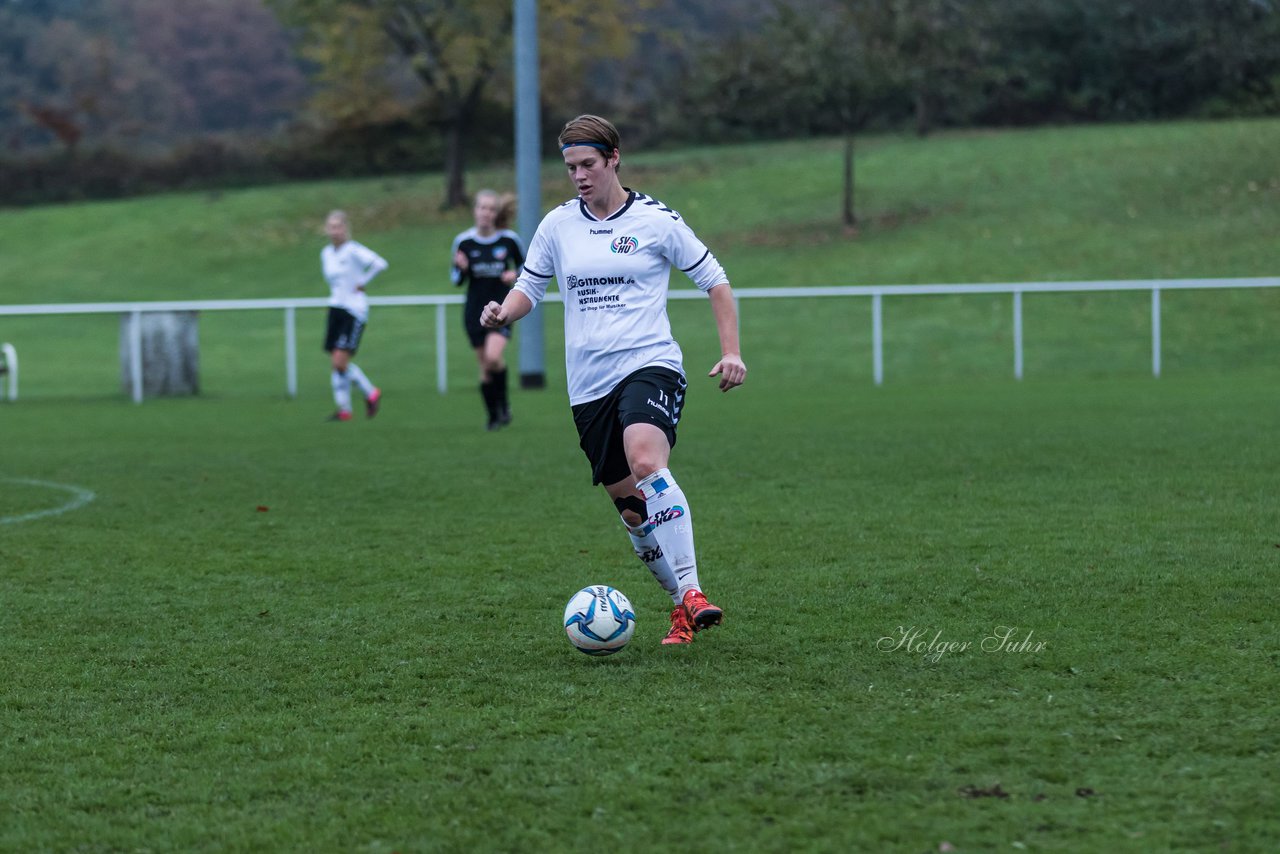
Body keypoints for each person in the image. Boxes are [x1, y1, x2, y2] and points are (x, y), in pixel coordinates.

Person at [481, 114, 747, 646]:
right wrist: (504, 313)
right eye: (570, 167)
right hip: (588, 385)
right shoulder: (557, 225)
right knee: (631, 511)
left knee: (647, 461)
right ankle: (679, 607)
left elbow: (715, 281)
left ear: (613, 159)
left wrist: (731, 351)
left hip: (650, 364)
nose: (578, 175)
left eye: (588, 164)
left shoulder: (655, 220)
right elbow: (530, 287)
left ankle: (693, 590)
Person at [450, 190, 525, 430]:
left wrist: (515, 274)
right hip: (473, 312)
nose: (486, 213)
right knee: (485, 367)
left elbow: (528, 267)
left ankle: (503, 406)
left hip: (500, 310)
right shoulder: (464, 241)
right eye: (482, 208)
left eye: (491, 209)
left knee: (493, 357)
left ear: (496, 213)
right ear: (475, 210)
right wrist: (461, 269)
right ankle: (494, 416)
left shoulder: (509, 240)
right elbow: (455, 280)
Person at [320, 209, 387, 421]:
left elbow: (380, 264)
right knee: (335, 363)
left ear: (345, 229)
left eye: (338, 227)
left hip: (353, 310)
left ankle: (370, 392)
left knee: (341, 362)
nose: (335, 231)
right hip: (336, 308)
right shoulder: (326, 254)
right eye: (331, 227)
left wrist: (362, 283)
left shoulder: (353, 250)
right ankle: (344, 410)